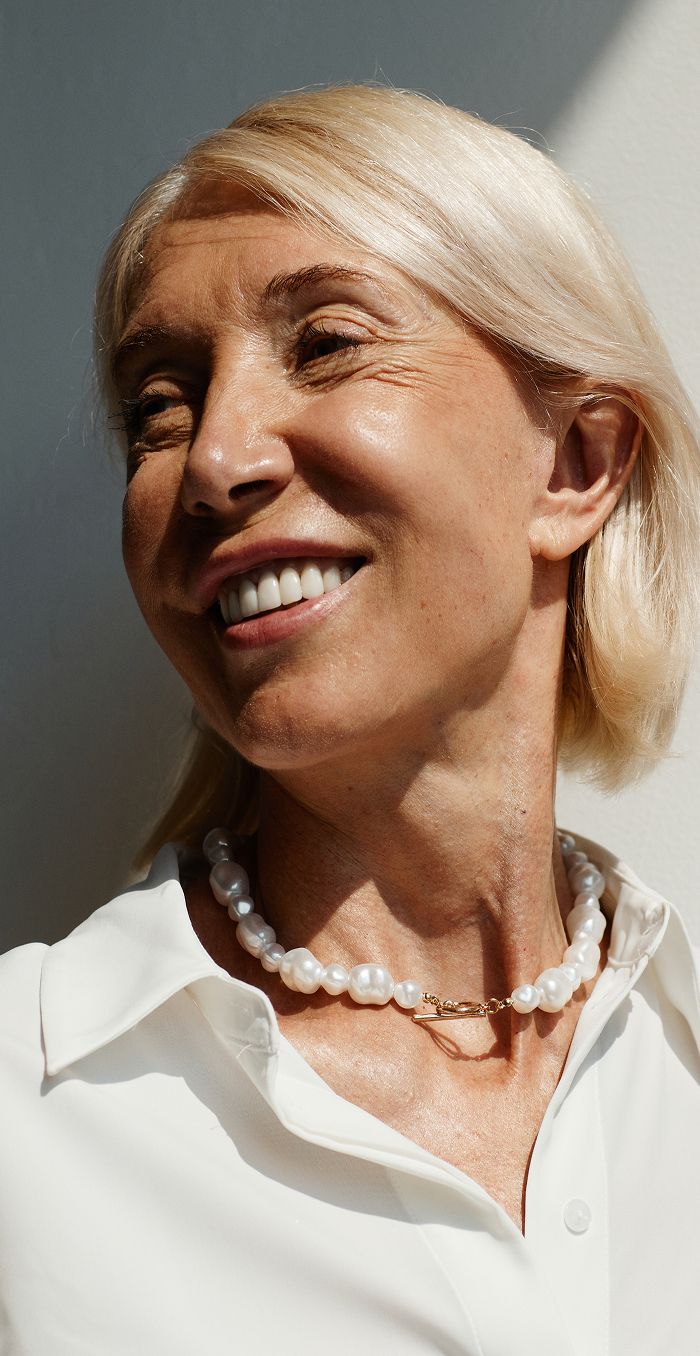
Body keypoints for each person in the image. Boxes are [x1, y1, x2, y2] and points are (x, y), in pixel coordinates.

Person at [2, 84, 699, 1355]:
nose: (212, 458)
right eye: (159, 405)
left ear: (577, 463)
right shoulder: (26, 1117)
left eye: (325, 343)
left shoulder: (679, 1067)